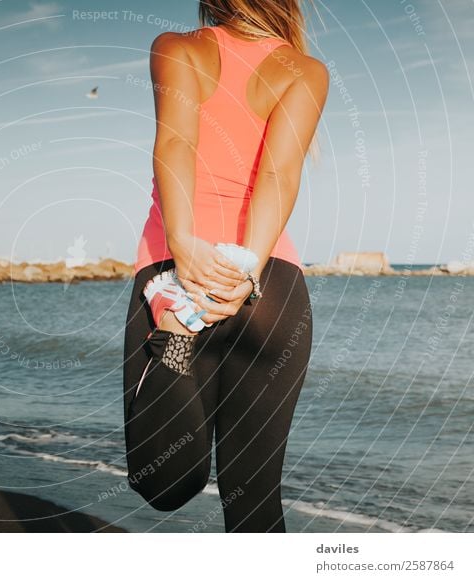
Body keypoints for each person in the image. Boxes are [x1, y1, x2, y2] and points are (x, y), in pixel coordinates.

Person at [122, 0, 329, 533]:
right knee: (255, 500)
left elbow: (176, 143)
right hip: (272, 288)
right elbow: (280, 174)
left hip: (177, 273)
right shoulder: (305, 71)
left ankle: (174, 339)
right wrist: (247, 272)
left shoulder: (178, 48)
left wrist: (184, 248)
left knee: (163, 483)